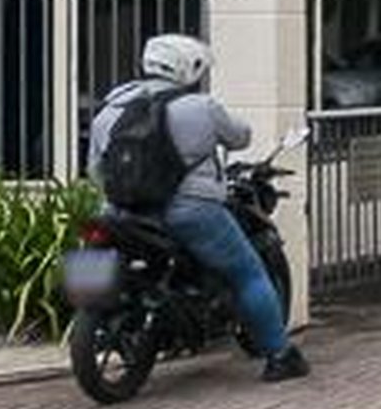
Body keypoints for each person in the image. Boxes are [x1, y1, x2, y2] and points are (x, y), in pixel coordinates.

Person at [89, 34, 308, 382]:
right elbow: (241, 137)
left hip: (123, 213)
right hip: (190, 211)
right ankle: (280, 355)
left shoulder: (111, 108)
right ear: (188, 68)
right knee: (248, 273)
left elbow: (96, 170)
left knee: (93, 258)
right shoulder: (200, 107)